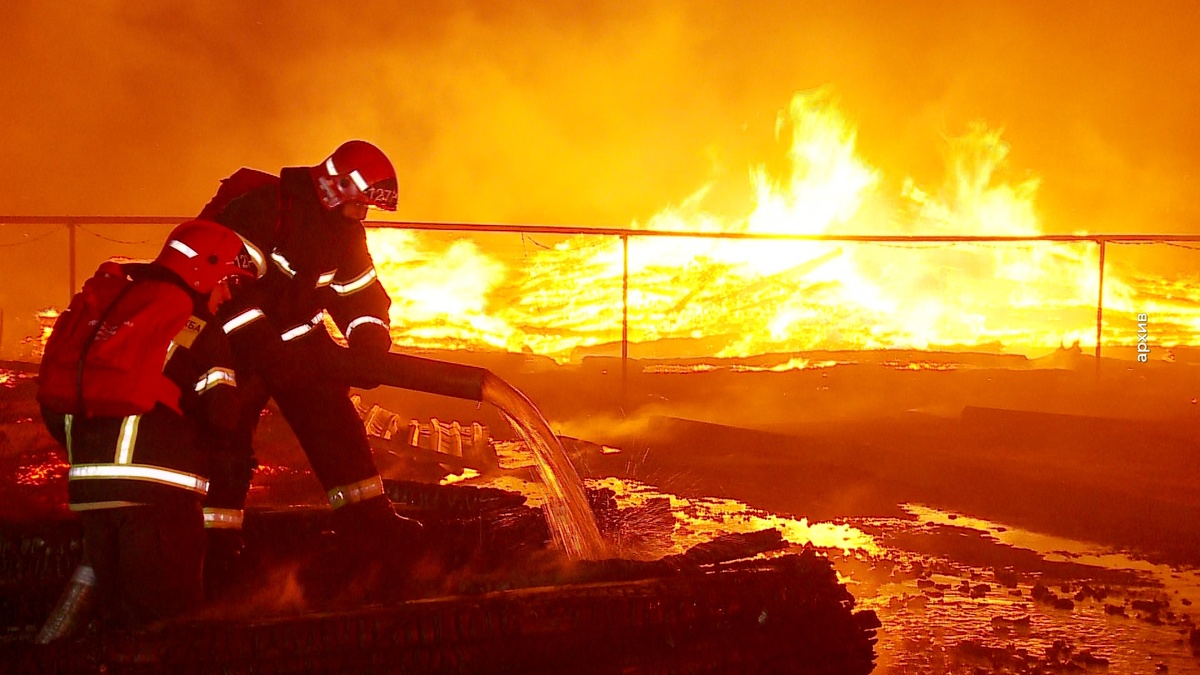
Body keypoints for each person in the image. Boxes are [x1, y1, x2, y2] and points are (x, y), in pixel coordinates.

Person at [198, 140, 419, 584]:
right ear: (337, 188)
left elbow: (359, 292)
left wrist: (370, 340)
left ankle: (367, 524)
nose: (363, 217)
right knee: (226, 439)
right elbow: (227, 290)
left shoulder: (345, 231)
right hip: (235, 344)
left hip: (297, 341)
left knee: (335, 424)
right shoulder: (261, 210)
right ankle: (213, 548)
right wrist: (267, 349)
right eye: (359, 206)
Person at [37, 219, 256, 629]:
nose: (227, 294)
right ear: (203, 269)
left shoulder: (113, 307)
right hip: (160, 506)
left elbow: (54, 401)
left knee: (111, 629)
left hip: (91, 498)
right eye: (226, 280)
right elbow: (224, 415)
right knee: (164, 633)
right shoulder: (192, 325)